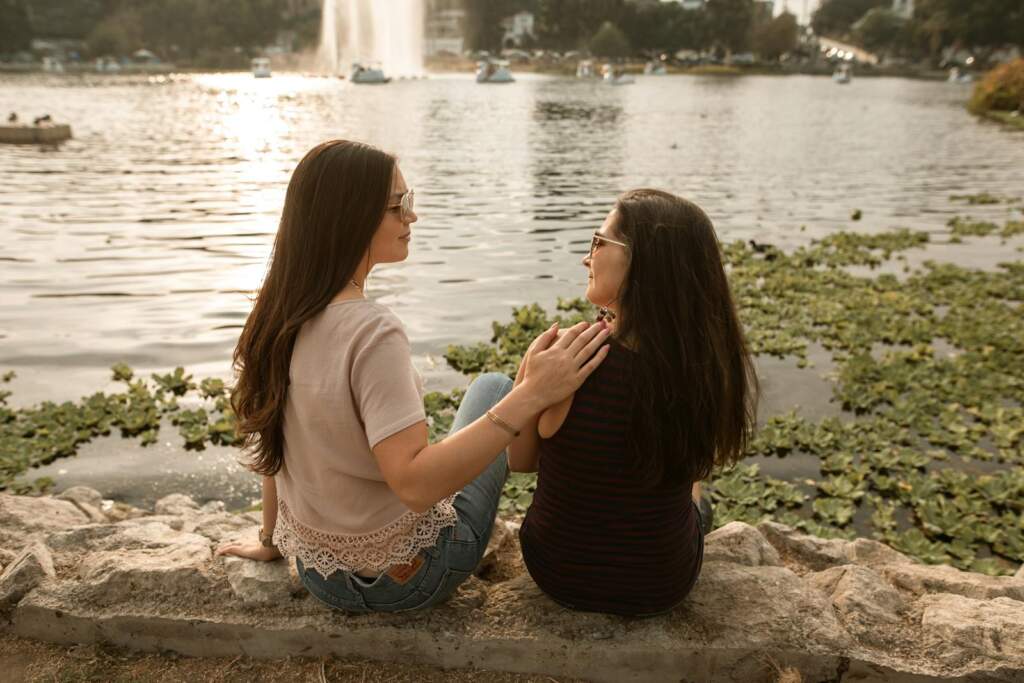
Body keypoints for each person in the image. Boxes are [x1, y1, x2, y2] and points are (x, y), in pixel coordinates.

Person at [215, 140, 610, 613]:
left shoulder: (277, 314)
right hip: (409, 578)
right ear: (351, 217)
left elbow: (273, 440)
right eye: (399, 206)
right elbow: (416, 486)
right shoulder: (372, 330)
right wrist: (533, 394)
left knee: (476, 399)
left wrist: (271, 539)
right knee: (497, 388)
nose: (412, 218)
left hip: (320, 574)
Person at [509, 189, 759, 617]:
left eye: (597, 241)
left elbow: (521, 460)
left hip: (557, 571)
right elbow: (696, 466)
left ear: (641, 260)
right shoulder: (706, 365)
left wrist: (527, 374)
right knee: (696, 494)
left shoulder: (568, 357)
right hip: (662, 585)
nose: (587, 257)